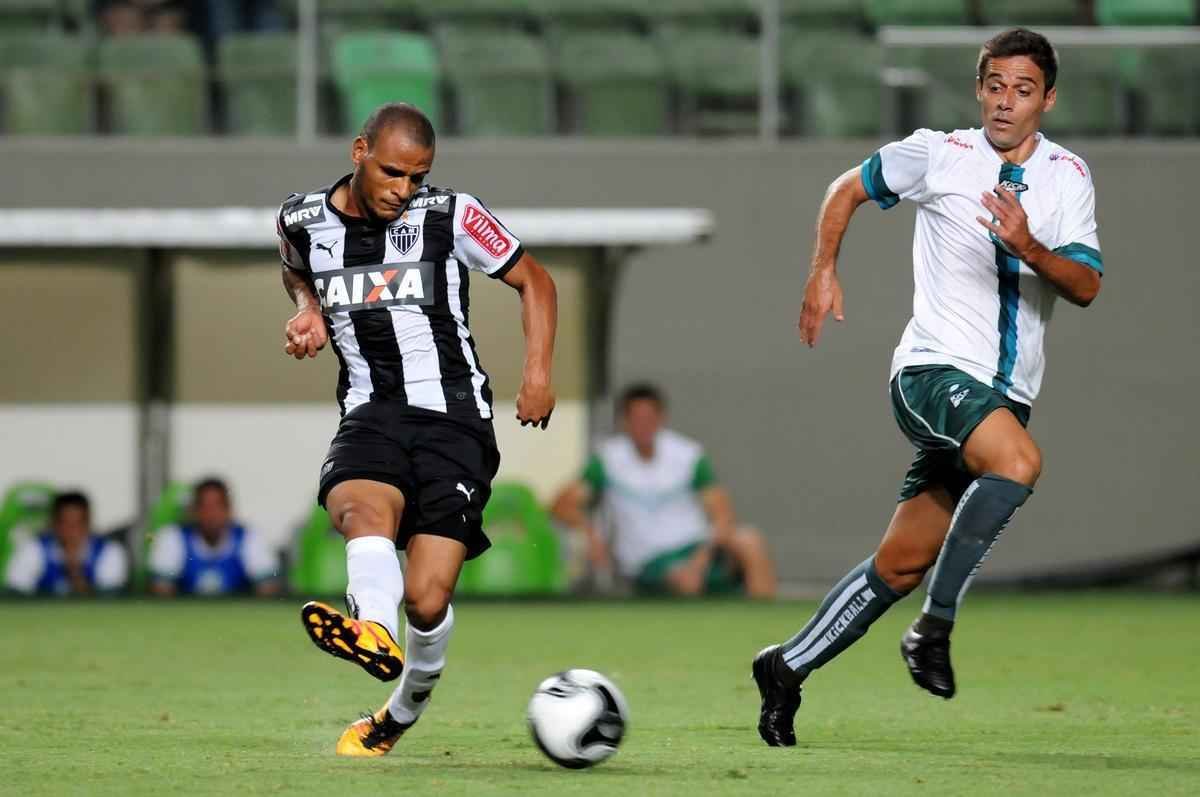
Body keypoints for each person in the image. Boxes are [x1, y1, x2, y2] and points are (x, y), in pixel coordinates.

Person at [752, 28, 1104, 746]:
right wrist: (823, 268)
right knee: (1019, 462)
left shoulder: (1069, 176)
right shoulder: (940, 154)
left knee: (902, 561)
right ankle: (933, 631)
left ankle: (786, 666)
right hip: (932, 372)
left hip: (1004, 396)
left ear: (1049, 98)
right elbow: (845, 188)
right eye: (997, 86)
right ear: (980, 89)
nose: (1007, 102)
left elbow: (1088, 285)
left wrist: (1030, 246)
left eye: (1024, 89)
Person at [276, 102, 557, 756]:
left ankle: (399, 711)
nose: (403, 190)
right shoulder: (302, 218)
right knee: (356, 503)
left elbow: (534, 280)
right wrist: (308, 308)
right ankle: (372, 626)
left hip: (453, 416)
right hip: (370, 407)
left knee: (428, 600)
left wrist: (537, 370)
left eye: (417, 175)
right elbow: (294, 266)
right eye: (392, 172)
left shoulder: (451, 214)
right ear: (359, 151)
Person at [551, 383, 776, 598]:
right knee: (682, 580)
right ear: (624, 421)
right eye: (636, 419)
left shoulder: (689, 455)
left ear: (661, 418)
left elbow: (723, 515)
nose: (643, 426)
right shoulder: (607, 460)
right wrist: (592, 536)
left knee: (751, 541)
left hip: (696, 551)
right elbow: (561, 505)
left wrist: (700, 561)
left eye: (649, 418)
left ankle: (766, 626)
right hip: (647, 562)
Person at [147, 477, 281, 597]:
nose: (211, 514)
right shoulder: (173, 537)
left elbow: (267, 590)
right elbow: (161, 591)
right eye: (204, 507)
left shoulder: (249, 538)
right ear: (193, 511)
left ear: (229, 509)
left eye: (218, 506)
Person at [3, 491, 128, 596]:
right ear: (54, 524)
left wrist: (75, 573)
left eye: (78, 524)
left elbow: (110, 594)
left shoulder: (109, 551)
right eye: (65, 524)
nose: (71, 531)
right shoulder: (34, 548)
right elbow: (16, 591)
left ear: (88, 523)